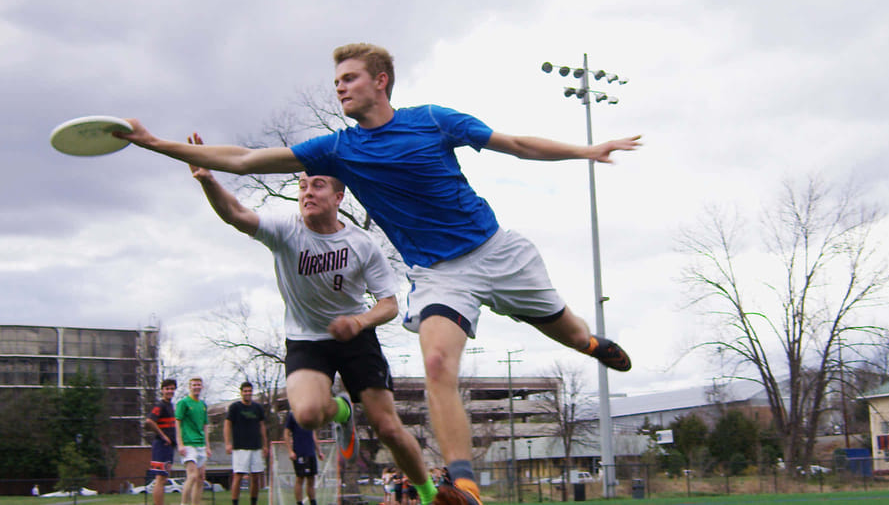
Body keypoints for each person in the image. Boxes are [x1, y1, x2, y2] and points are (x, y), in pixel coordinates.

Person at [120, 42, 638, 505]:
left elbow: (518, 145)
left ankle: (591, 344)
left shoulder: (434, 120)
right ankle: (463, 487)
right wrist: (157, 144)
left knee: (570, 332)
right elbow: (244, 159)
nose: (340, 87)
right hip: (439, 275)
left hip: (498, 253)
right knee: (436, 361)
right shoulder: (339, 150)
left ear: (380, 80)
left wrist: (587, 150)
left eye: (349, 78)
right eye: (337, 82)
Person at [186, 146, 438, 505]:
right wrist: (208, 179)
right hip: (306, 339)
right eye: (302, 186)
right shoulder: (284, 231)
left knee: (388, 428)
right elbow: (235, 213)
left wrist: (359, 321)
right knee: (305, 415)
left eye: (317, 186)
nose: (307, 193)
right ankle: (342, 410)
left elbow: (389, 305)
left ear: (338, 196)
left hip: (355, 338)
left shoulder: (361, 244)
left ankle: (431, 496)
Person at [225, 382, 268, 505]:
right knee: (238, 476)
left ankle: (253, 502)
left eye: (250, 391)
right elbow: (227, 425)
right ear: (241, 392)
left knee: (256, 477)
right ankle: (235, 502)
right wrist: (228, 443)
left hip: (256, 446)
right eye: (245, 391)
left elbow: (262, 426)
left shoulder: (257, 408)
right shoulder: (235, 407)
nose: (248, 393)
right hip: (240, 447)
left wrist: (265, 445)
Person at [175, 377, 210, 505]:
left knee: (200, 478)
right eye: (194, 385)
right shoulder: (183, 403)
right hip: (188, 444)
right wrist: (180, 443)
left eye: (199, 385)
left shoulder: (203, 405)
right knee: (192, 475)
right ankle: (184, 503)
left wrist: (207, 446)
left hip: (200, 444)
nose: (196, 387)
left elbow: (205, 426)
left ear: (202, 387)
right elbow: (178, 422)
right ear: (190, 387)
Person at [145, 379, 178, 505]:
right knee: (160, 478)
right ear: (162, 390)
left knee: (164, 477)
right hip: (161, 445)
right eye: (167, 389)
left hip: (169, 446)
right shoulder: (160, 405)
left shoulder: (171, 406)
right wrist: (163, 436)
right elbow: (149, 421)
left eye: (172, 389)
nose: (170, 391)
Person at [283, 412, 325, 505]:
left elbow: (313, 433)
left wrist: (319, 451)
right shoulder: (292, 415)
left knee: (311, 479)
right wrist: (290, 451)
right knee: (300, 479)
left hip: (310, 452)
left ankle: (313, 502)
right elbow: (286, 434)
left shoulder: (311, 415)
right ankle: (299, 502)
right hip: (299, 452)